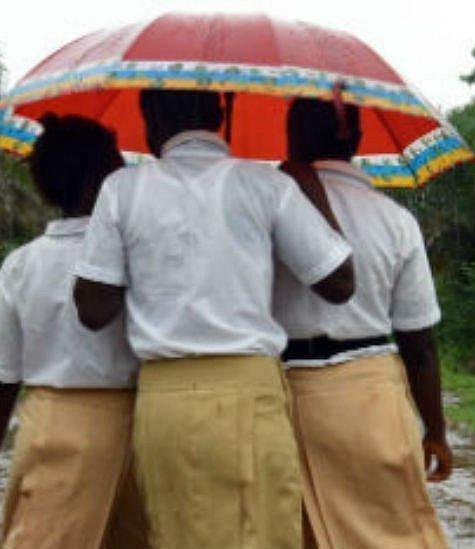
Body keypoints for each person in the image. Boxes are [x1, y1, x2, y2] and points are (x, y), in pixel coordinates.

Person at [73, 88, 355, 549]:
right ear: (220, 112)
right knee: (265, 534)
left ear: (149, 115)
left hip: (165, 399)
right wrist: (307, 186)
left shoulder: (121, 189)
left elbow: (92, 310)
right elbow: (339, 283)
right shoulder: (267, 185)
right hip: (250, 391)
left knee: (177, 534)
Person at [274, 96, 451, 549]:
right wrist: (435, 431)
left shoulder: (264, 207)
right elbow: (419, 343)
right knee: (390, 534)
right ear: (358, 137)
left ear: (290, 139)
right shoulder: (397, 221)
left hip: (279, 396)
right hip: (371, 398)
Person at [0, 114, 149, 549]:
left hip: (53, 430)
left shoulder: (22, 265)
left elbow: (1, 377)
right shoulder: (140, 255)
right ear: (100, 180)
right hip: (141, 426)